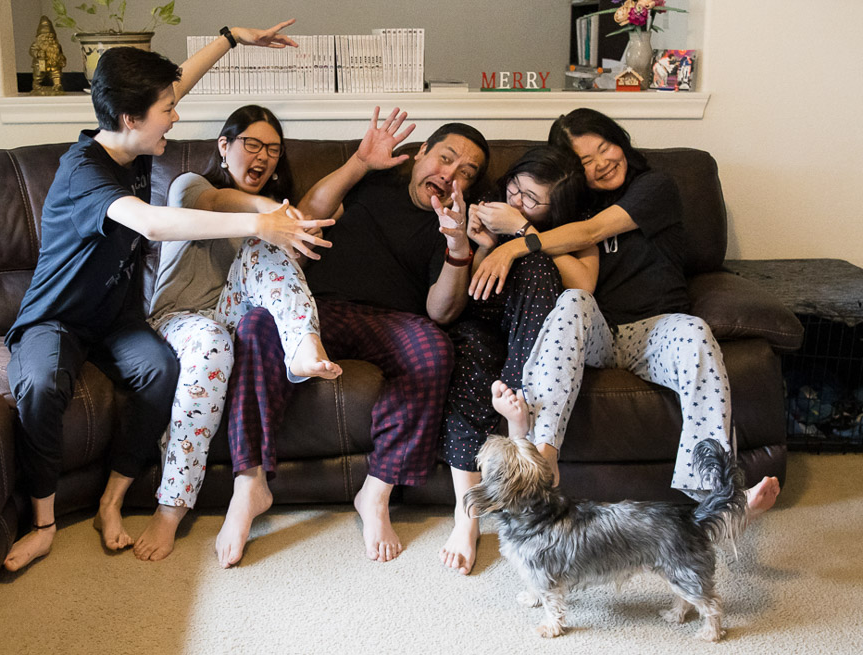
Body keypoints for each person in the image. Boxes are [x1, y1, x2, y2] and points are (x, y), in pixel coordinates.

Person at [2, 20, 327, 572]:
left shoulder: (135, 145)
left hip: (118, 318)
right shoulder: (84, 172)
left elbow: (177, 85)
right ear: (131, 118)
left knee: (158, 371)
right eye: (166, 111)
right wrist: (258, 225)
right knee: (39, 384)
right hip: (57, 319)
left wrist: (229, 38)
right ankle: (43, 524)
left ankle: (112, 502)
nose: (175, 116)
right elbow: (151, 224)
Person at [216, 107, 490, 567]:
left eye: (465, 173)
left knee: (435, 351)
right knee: (257, 326)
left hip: (390, 321)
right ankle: (249, 485)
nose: (449, 176)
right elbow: (309, 217)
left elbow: (440, 313)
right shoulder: (376, 177)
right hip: (318, 308)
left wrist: (458, 247)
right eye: (444, 159)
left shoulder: (457, 221)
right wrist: (361, 161)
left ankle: (376, 494)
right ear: (420, 152)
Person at [481, 107, 780, 518]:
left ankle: (718, 495)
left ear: (619, 140)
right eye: (586, 160)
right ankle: (543, 459)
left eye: (605, 147)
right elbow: (579, 281)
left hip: (655, 330)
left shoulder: (654, 187)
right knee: (572, 301)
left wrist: (518, 239)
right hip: (600, 332)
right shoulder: (570, 210)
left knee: (694, 331)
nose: (603, 162)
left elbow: (592, 233)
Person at [134, 105, 340, 561]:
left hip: (232, 311)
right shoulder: (191, 185)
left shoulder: (270, 222)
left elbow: (282, 260)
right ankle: (170, 508)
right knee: (212, 341)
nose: (264, 156)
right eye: (252, 144)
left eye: (273, 149)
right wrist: (268, 215)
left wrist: (285, 226)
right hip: (182, 320)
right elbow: (216, 204)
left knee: (261, 247)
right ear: (224, 147)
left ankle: (303, 341)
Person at [438, 146, 598, 575]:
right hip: (482, 318)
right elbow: (467, 290)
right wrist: (484, 243)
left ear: (556, 207)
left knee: (541, 268)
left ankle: (514, 401)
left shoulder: (573, 227)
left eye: (531, 199)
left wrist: (522, 233)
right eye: (515, 187)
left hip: (533, 336)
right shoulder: (484, 203)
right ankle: (466, 515)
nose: (515, 201)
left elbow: (584, 285)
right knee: (468, 363)